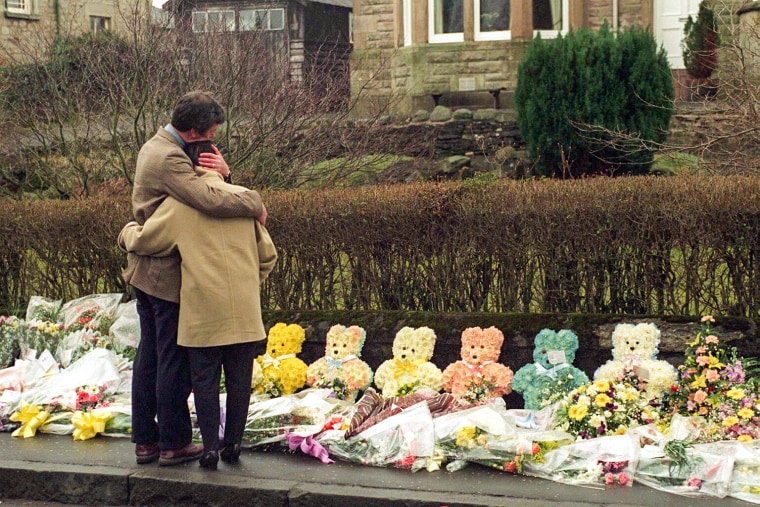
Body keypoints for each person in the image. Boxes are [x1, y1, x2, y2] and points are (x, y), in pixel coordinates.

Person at [124, 91, 267, 467]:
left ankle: (146, 441)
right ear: (192, 132)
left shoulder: (155, 145)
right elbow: (209, 201)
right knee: (171, 359)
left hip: (150, 265)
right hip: (165, 271)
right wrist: (253, 200)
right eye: (211, 135)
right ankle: (170, 443)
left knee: (151, 356)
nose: (213, 141)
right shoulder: (170, 157)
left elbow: (208, 190)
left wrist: (224, 176)